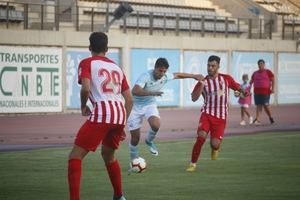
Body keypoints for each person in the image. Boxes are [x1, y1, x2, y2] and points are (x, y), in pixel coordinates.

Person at [67, 32, 133, 200]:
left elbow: (86, 89)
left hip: (102, 114)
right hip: (119, 115)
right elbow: (129, 100)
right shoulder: (117, 68)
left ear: (89, 48)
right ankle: (119, 196)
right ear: (107, 48)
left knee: (75, 157)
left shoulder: (87, 62)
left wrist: (83, 107)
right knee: (109, 156)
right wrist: (122, 123)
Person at [128, 57, 203, 162]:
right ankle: (134, 161)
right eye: (160, 71)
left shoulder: (165, 76)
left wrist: (194, 76)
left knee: (156, 125)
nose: (162, 73)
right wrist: (151, 93)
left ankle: (149, 141)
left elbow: (178, 75)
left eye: (164, 71)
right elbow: (135, 91)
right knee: (135, 138)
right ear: (155, 68)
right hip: (135, 107)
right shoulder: (145, 76)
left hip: (150, 104)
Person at [186, 55, 248, 172]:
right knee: (201, 137)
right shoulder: (203, 81)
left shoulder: (226, 79)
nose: (210, 68)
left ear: (218, 66)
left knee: (214, 144)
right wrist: (201, 85)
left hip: (221, 117)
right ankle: (192, 164)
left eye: (213, 66)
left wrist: (243, 93)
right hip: (207, 114)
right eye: (208, 65)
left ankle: (215, 148)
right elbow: (194, 98)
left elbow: (240, 89)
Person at [250, 59, 275, 125]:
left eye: (262, 64)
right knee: (258, 105)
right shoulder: (255, 73)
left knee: (265, 105)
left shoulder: (268, 72)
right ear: (258, 65)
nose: (260, 65)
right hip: (257, 92)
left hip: (266, 92)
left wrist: (273, 88)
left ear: (264, 64)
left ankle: (270, 117)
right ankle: (258, 120)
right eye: (259, 64)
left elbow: (273, 80)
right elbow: (251, 81)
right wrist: (248, 89)